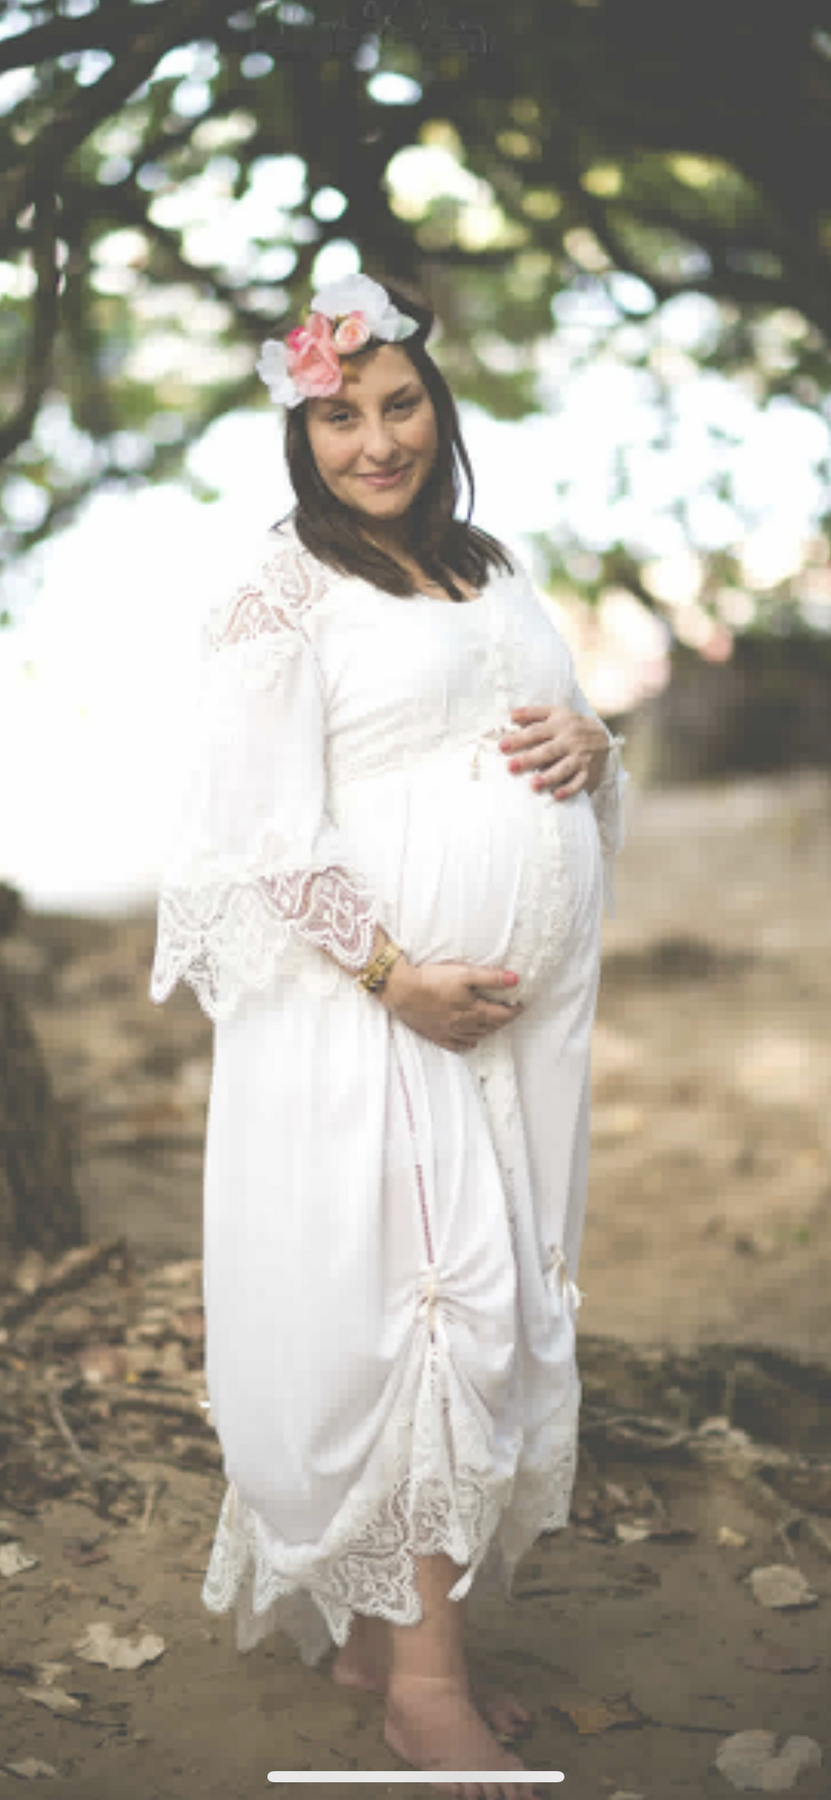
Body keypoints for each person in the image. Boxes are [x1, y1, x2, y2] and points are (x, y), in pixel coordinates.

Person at [150, 273, 627, 1799]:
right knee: (425, 1319)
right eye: (339, 415)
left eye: (400, 404)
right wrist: (390, 976)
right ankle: (426, 1696)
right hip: (371, 1029)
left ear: (440, 404)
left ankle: (381, 1645)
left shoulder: (486, 569)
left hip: (504, 1042)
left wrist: (593, 742)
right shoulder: (279, 590)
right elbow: (252, 838)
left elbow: (551, 751)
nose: (376, 441)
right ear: (299, 429)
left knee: (488, 1314)